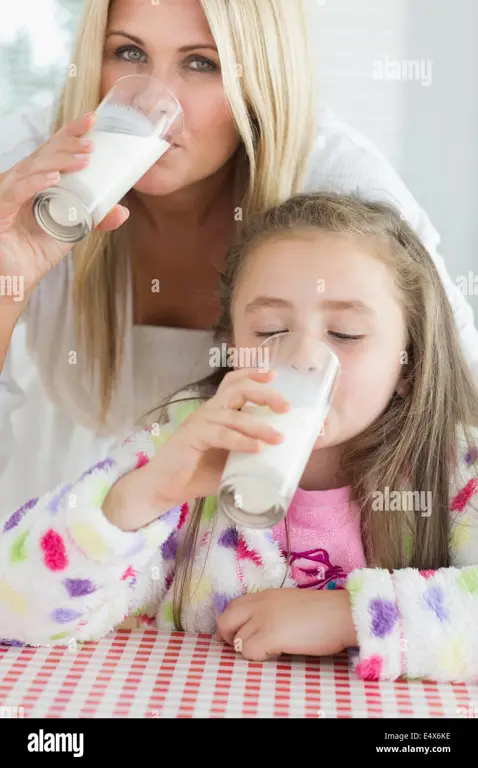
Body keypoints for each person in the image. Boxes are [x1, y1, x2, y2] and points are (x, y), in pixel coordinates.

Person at [1, 0, 477, 514]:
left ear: (260, 79)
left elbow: (459, 394)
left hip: (251, 522)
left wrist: (352, 595)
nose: (152, 100)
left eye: (201, 62)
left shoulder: (339, 189)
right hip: (76, 498)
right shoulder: (31, 171)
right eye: (129, 51)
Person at [1, 192, 477, 684]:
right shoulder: (185, 450)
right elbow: (13, 609)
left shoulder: (454, 470)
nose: (303, 357)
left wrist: (349, 617)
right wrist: (147, 493)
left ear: (409, 360)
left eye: (346, 333)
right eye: (270, 330)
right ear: (232, 349)